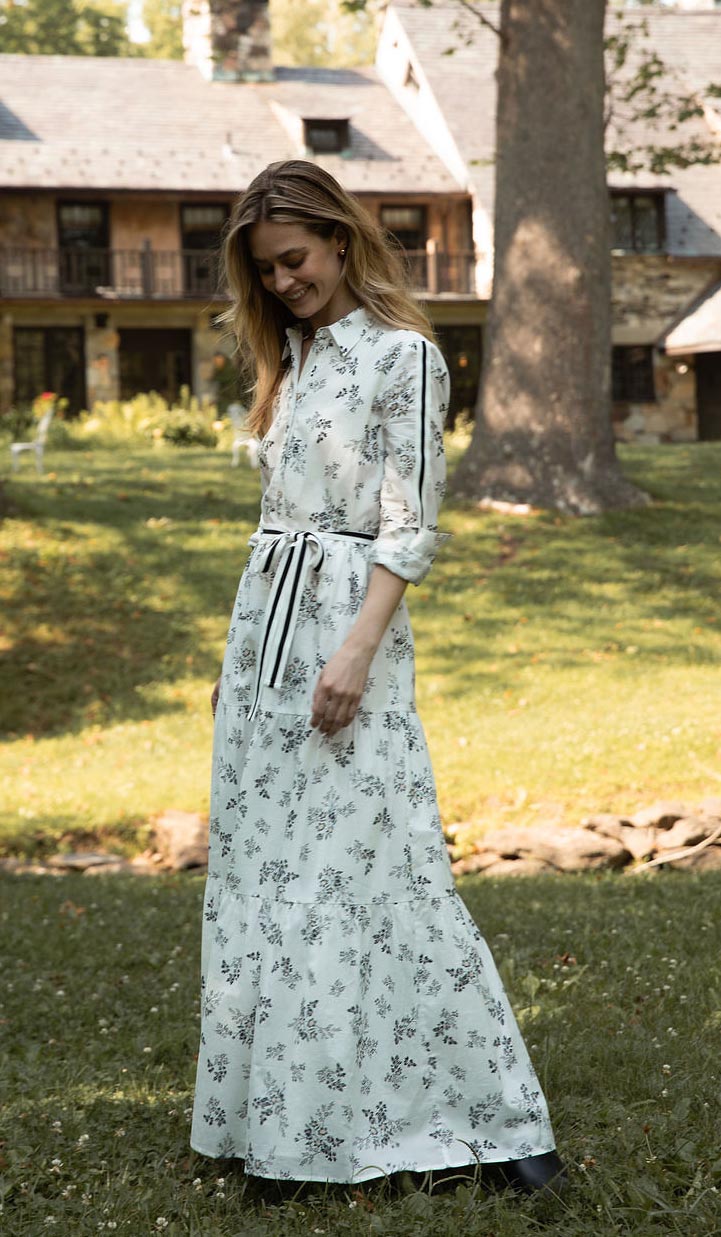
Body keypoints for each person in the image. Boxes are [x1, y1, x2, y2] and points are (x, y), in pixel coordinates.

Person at [190, 160, 565, 1195]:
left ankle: (502, 1132)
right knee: (272, 880)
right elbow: (278, 527)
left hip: (348, 627)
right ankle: (290, 1132)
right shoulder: (295, 357)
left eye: (294, 260)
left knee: (381, 871)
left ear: (341, 242)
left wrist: (353, 648)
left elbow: (408, 527)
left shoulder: (405, 357)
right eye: (264, 270)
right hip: (267, 632)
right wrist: (243, 661)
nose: (280, 283)